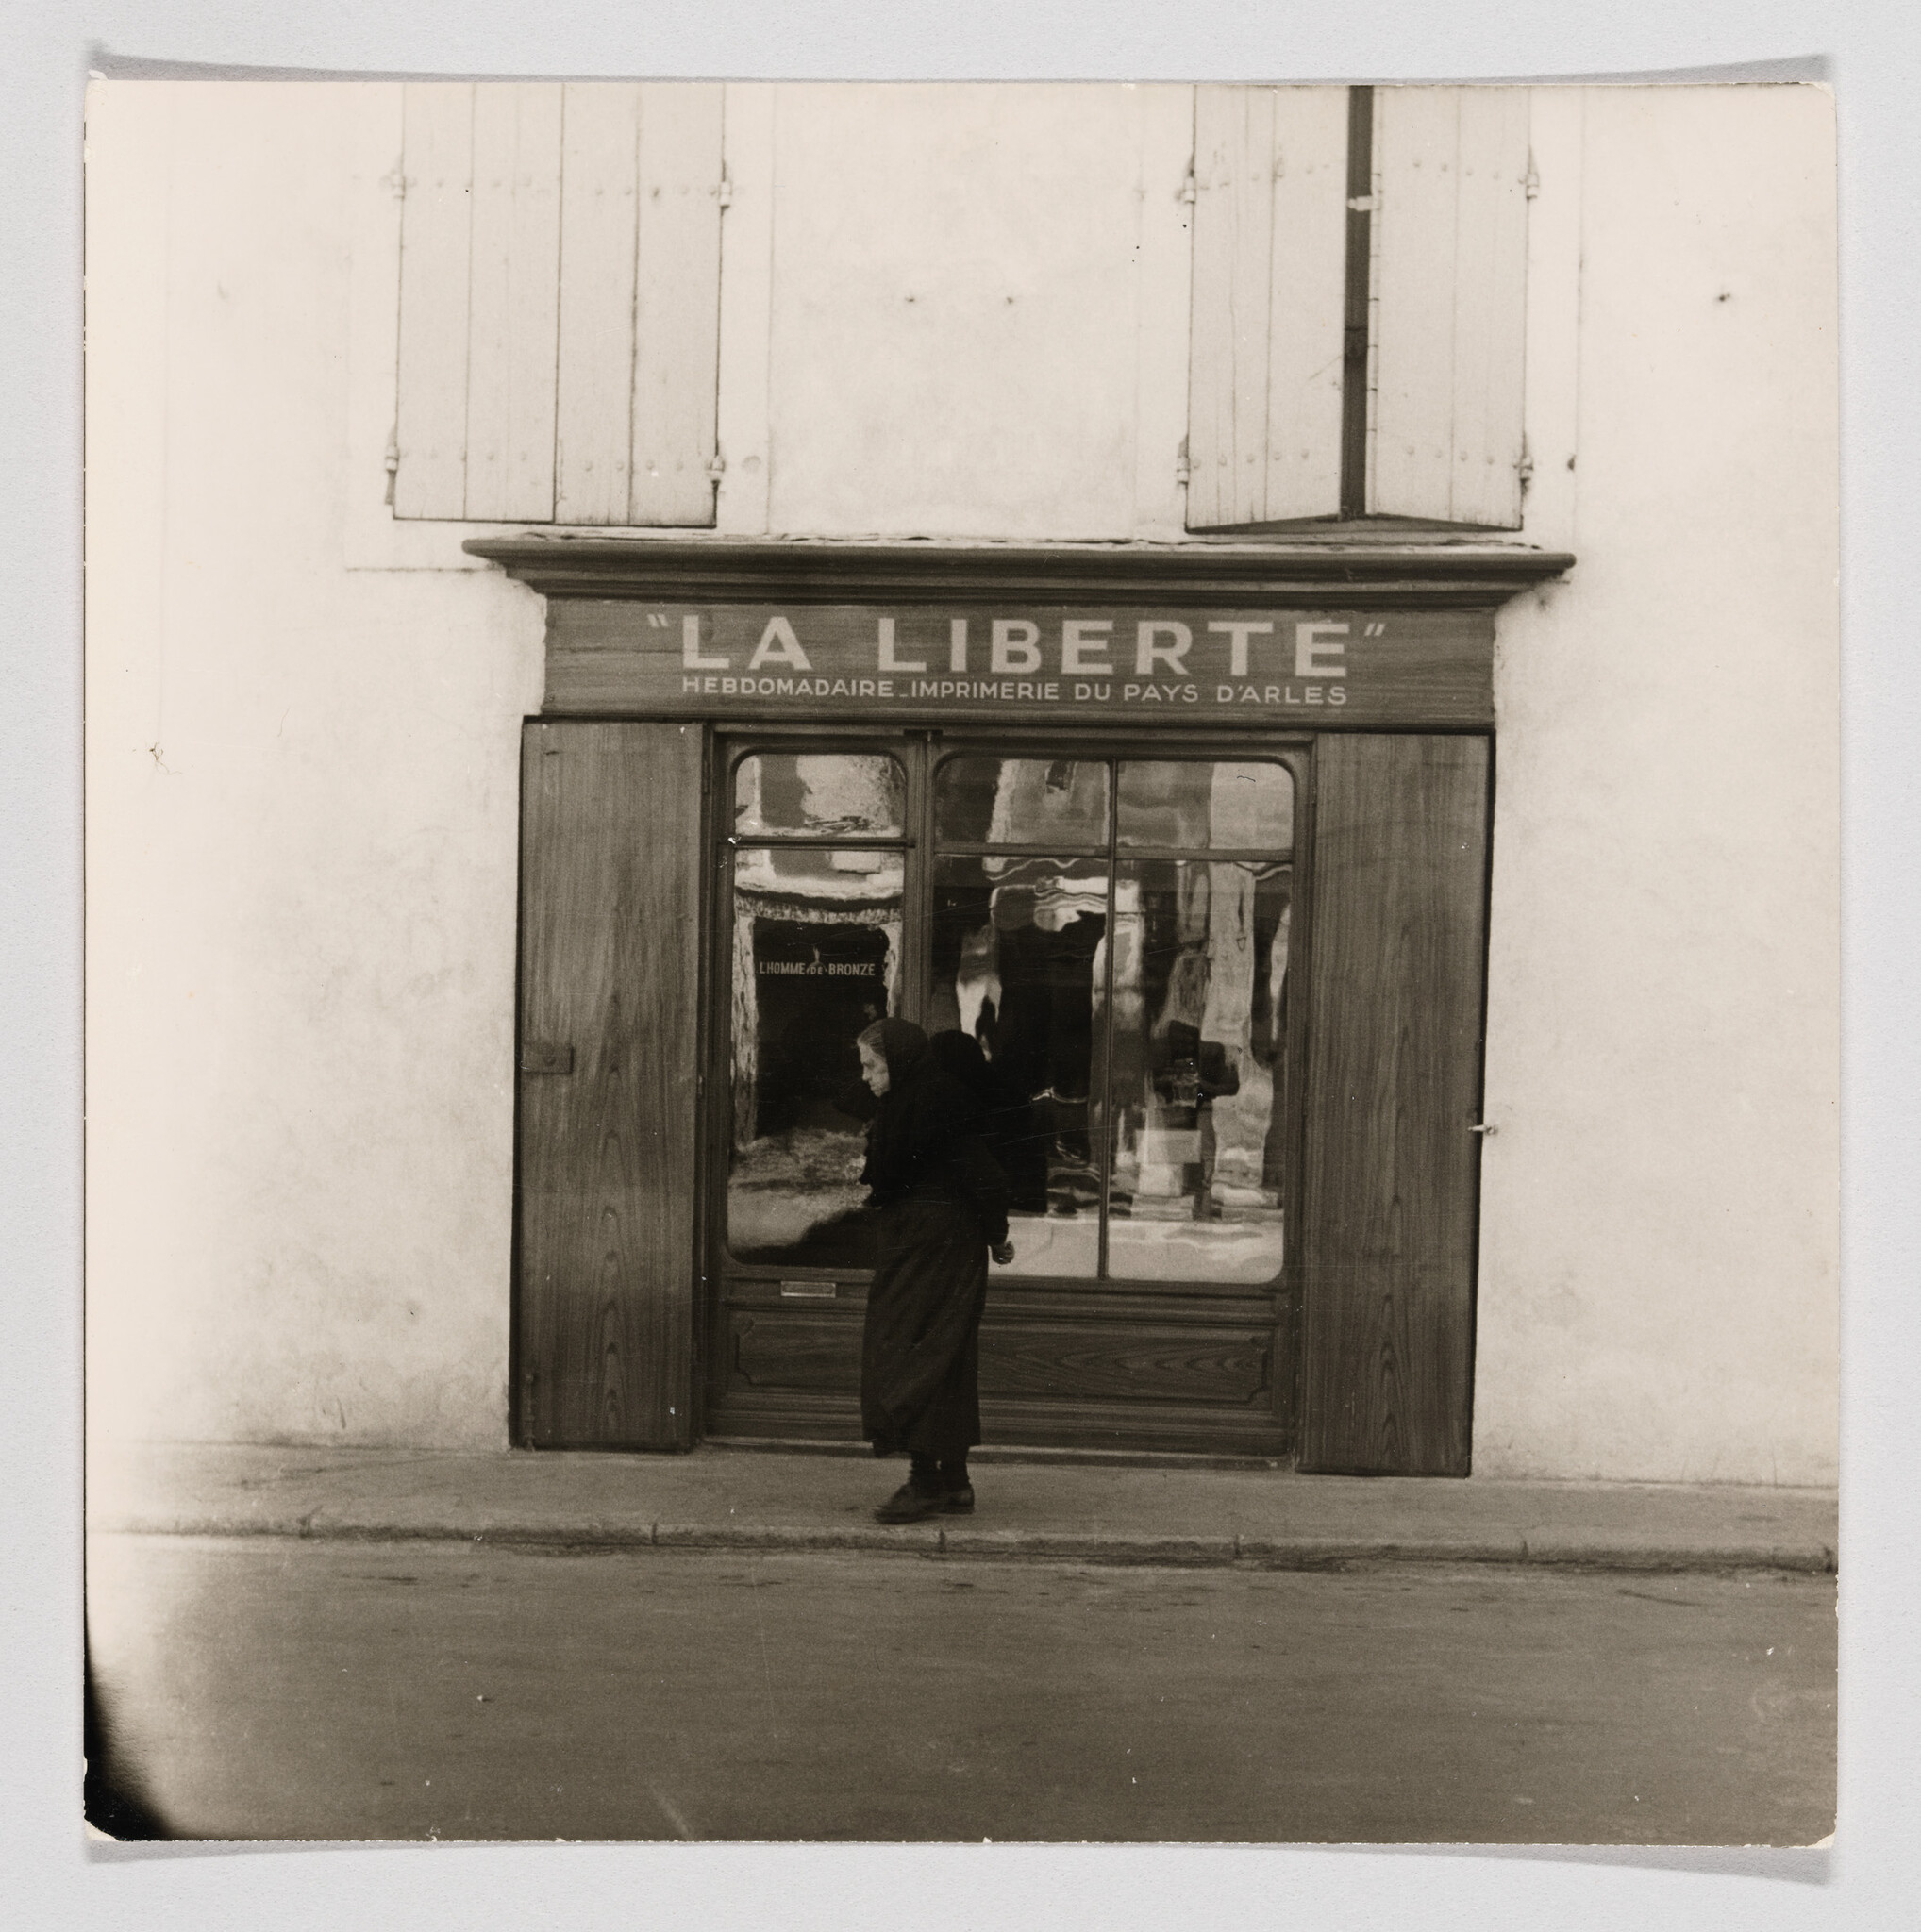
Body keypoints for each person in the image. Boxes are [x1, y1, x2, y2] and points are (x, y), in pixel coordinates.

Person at [856, 1018, 1015, 1524]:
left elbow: (984, 1175)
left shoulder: (936, 1101)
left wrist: (997, 1235)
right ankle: (954, 1480)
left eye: (872, 1066)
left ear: (898, 1062)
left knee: (913, 1354)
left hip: (939, 1247)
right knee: (944, 1356)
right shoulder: (911, 1101)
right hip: (925, 1243)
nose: (865, 1077)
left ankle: (925, 1482)